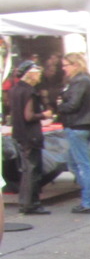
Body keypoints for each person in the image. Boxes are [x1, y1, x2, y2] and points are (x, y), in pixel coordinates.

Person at [55, 53, 90, 214]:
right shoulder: (86, 80)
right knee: (74, 162)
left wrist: (59, 106)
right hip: (82, 125)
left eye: (66, 65)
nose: (63, 69)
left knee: (82, 165)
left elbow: (73, 104)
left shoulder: (80, 81)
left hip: (78, 125)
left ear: (76, 65)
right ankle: (88, 197)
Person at [9, 61, 50, 215]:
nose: (39, 76)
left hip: (19, 133)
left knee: (26, 170)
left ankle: (25, 203)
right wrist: (44, 115)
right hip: (31, 135)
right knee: (33, 170)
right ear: (30, 74)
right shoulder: (30, 91)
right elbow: (29, 116)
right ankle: (31, 204)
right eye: (37, 73)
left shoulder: (14, 90)